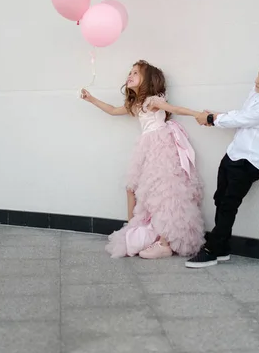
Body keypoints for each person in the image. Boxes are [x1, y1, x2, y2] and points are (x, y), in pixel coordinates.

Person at [150, 56, 259, 268]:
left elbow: (240, 119)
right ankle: (223, 247)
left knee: (228, 205)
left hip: (248, 163)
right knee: (220, 199)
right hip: (234, 154)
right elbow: (240, 114)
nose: (256, 81)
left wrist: (211, 119)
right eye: (258, 75)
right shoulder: (257, 92)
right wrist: (215, 117)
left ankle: (213, 250)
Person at [81, 60, 205, 259]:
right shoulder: (137, 105)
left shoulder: (153, 101)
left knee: (164, 191)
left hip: (160, 145)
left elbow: (175, 108)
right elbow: (113, 110)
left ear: (147, 80)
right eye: (130, 72)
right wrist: (91, 99)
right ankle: (134, 229)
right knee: (132, 187)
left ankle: (165, 242)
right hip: (146, 148)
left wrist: (198, 114)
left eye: (135, 73)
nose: (129, 75)